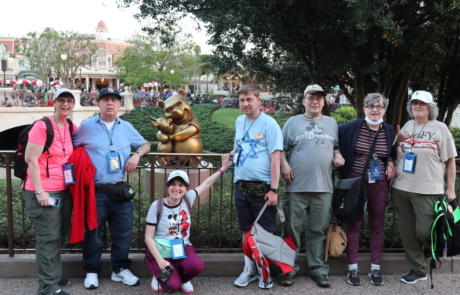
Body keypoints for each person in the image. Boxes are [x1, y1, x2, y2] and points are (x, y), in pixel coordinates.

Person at [73, 87, 151, 289]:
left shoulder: (126, 127)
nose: (110, 103)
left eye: (114, 100)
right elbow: (70, 149)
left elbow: (145, 144)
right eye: (105, 99)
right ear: (98, 104)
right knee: (93, 232)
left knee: (123, 233)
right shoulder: (86, 127)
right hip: (96, 191)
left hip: (120, 191)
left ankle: (120, 269)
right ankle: (91, 270)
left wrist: (137, 154)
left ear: (119, 105)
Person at [279, 84, 344, 288]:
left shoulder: (332, 123)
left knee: (318, 230)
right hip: (296, 186)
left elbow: (336, 147)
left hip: (323, 187)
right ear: (303, 101)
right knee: (291, 230)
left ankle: (318, 269)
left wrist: (338, 155)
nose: (315, 101)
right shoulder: (292, 122)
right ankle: (288, 268)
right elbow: (280, 149)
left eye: (319, 98)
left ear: (324, 102)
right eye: (311, 98)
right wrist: (284, 165)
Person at [391, 90, 457, 284]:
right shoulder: (407, 125)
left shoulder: (440, 128)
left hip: (428, 189)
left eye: (422, 103)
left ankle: (433, 249)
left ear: (430, 108)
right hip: (401, 187)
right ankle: (418, 270)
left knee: (425, 231)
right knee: (407, 233)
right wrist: (398, 141)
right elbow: (395, 153)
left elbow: (451, 161)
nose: (417, 106)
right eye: (414, 103)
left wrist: (451, 187)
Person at [145, 154, 232, 293]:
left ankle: (180, 278)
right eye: (173, 184)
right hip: (161, 251)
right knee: (172, 286)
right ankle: (159, 276)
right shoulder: (157, 206)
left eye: (181, 185)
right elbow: (148, 237)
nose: (176, 188)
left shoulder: (187, 199)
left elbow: (206, 183)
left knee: (197, 266)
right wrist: (160, 261)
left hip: (181, 248)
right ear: (168, 186)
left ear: (186, 188)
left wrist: (223, 168)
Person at [23, 88, 78, 295]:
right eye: (62, 100)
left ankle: (53, 276)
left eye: (70, 101)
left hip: (63, 189)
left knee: (58, 235)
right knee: (48, 238)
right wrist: (40, 191)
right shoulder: (42, 126)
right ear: (53, 102)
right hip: (44, 192)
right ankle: (47, 288)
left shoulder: (70, 126)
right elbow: (31, 160)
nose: (66, 104)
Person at [337, 93, 395, 286]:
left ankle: (375, 269)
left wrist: (391, 161)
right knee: (354, 224)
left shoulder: (388, 130)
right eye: (370, 106)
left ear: (385, 110)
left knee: (377, 224)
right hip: (354, 180)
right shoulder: (351, 127)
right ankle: (352, 268)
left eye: (379, 106)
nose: (375, 110)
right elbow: (331, 138)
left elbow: (391, 152)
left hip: (378, 181)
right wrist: (336, 153)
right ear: (364, 109)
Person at [231, 84, 283, 289]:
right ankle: (249, 268)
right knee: (245, 229)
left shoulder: (270, 124)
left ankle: (265, 270)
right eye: (242, 100)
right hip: (240, 184)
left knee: (264, 231)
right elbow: (237, 145)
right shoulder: (239, 120)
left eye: (249, 99)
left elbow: (275, 159)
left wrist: (274, 189)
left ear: (258, 100)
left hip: (263, 188)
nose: (245, 104)